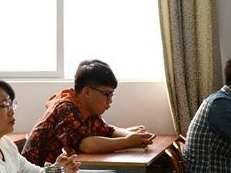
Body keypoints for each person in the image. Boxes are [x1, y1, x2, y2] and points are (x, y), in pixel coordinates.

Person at [22, 60, 155, 166]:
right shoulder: (66, 108)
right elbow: (86, 145)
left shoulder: (87, 109)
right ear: (87, 92)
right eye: (106, 94)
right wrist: (127, 141)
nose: (110, 101)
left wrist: (134, 136)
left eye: (111, 95)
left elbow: (107, 131)